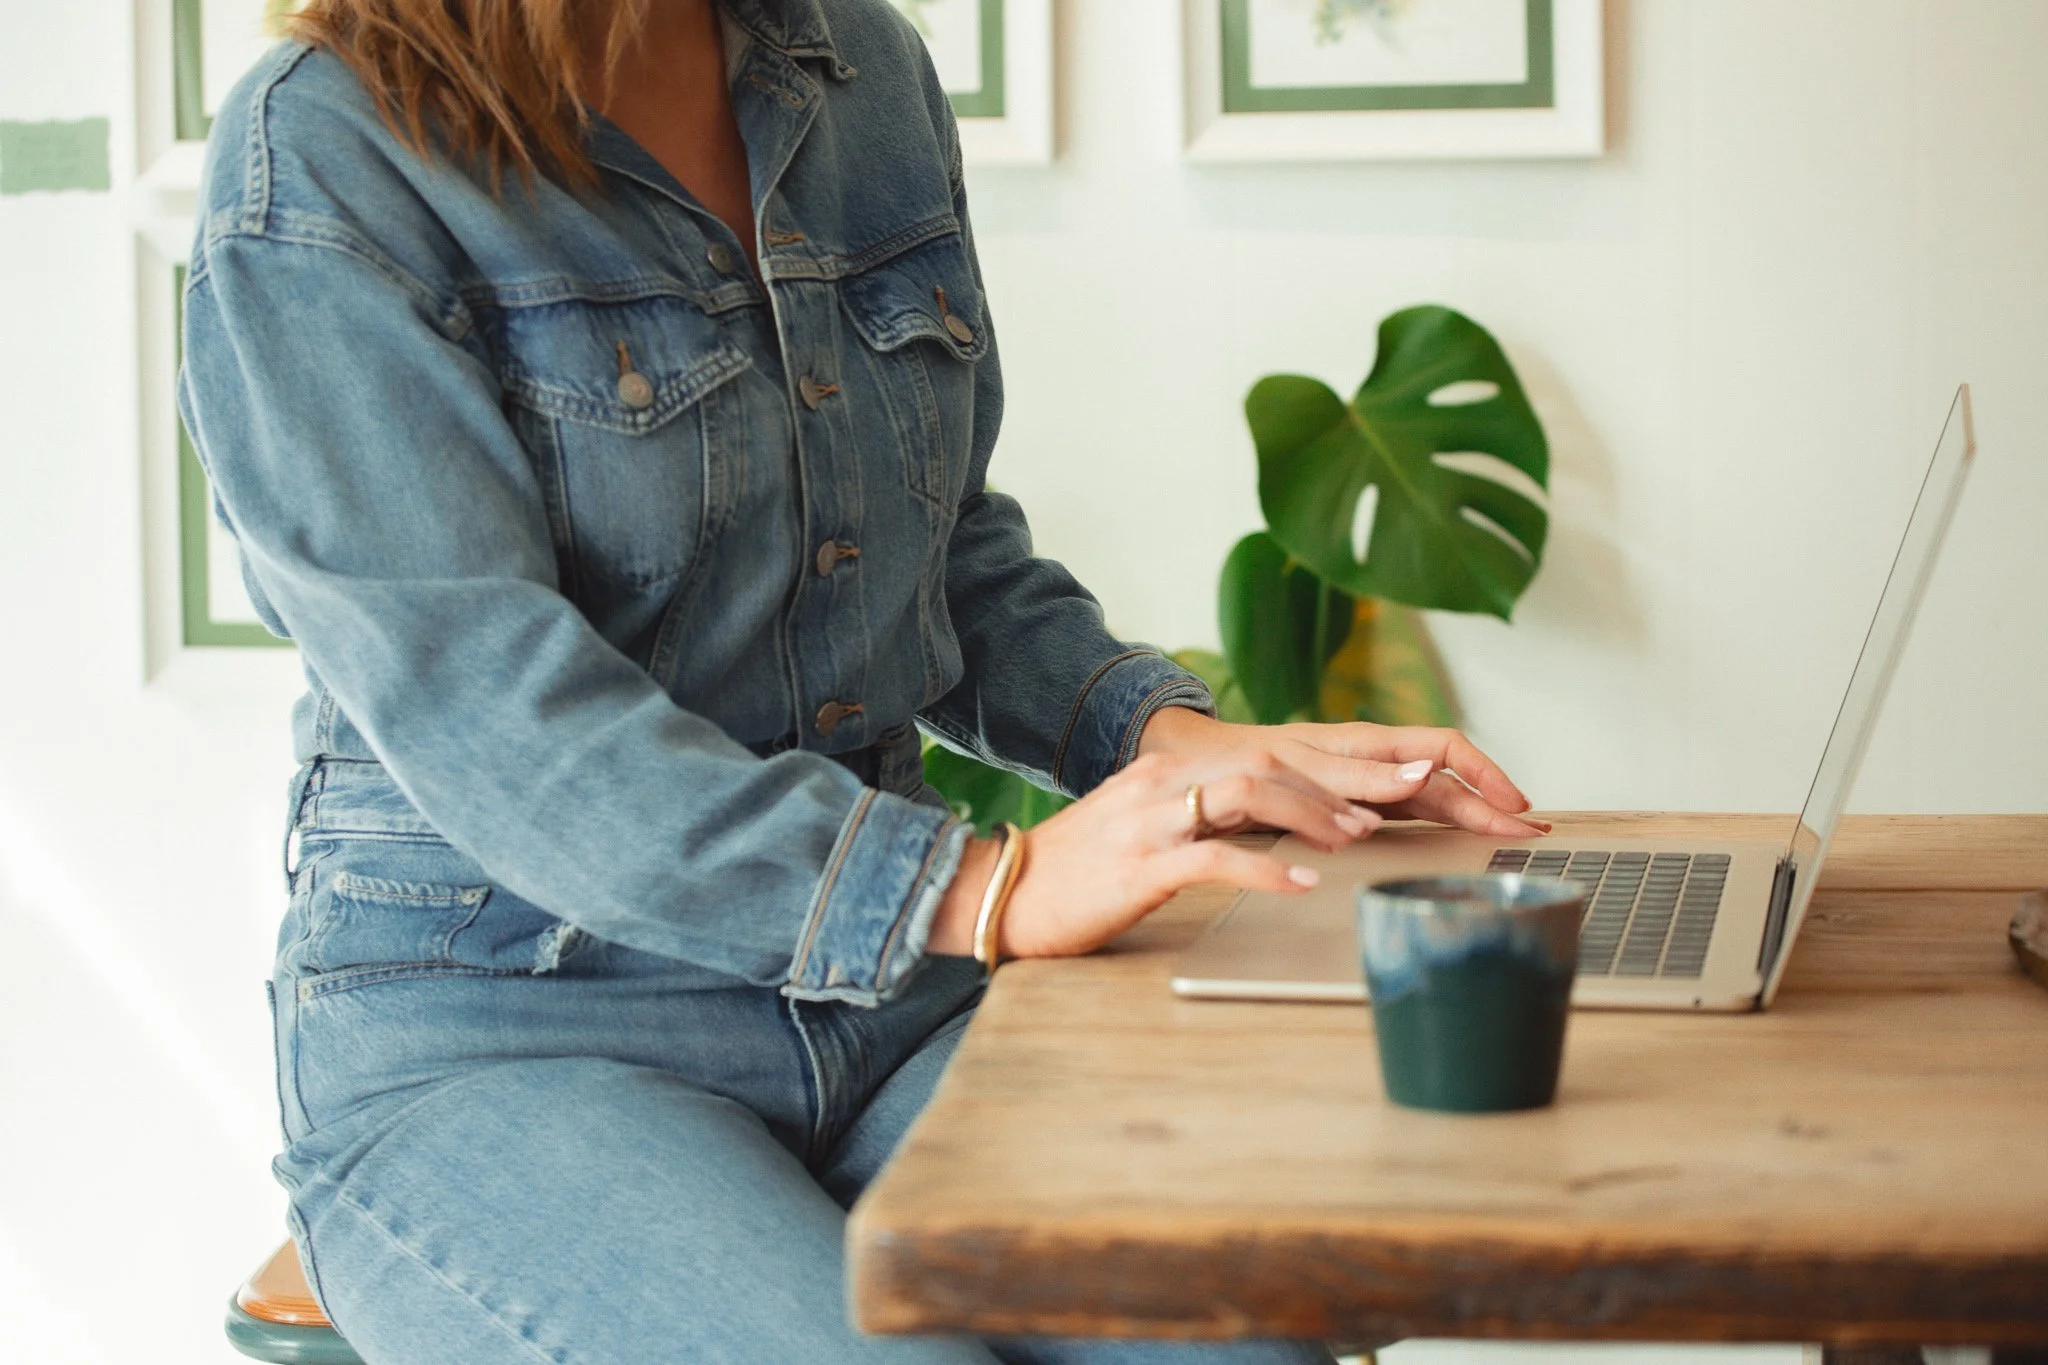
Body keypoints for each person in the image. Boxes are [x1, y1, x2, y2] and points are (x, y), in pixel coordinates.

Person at [178, 1, 1546, 1360]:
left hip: (891, 1009)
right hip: (513, 1025)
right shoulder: (325, 148)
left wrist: (1168, 743)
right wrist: (979, 888)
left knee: (1241, 1345)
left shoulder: (860, 66)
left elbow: (938, 553)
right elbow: (492, 716)